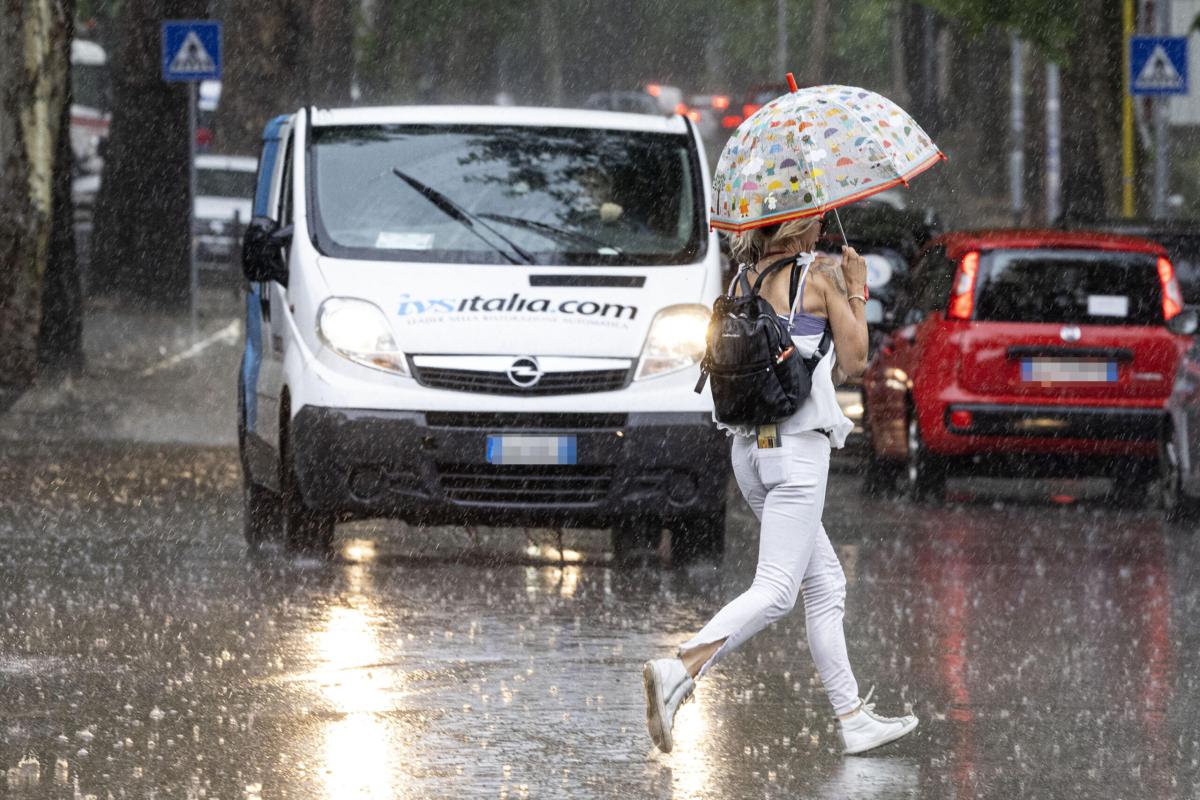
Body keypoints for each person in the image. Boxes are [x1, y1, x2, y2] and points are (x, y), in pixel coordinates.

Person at [642, 214, 918, 756]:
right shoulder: (820, 276)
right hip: (796, 453)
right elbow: (857, 360)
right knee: (776, 591)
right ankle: (680, 667)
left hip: (751, 450)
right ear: (795, 228)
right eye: (813, 217)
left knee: (825, 585)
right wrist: (857, 289)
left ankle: (852, 718)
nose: (822, 224)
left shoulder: (742, 280)